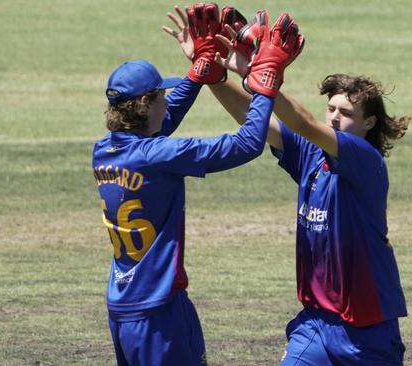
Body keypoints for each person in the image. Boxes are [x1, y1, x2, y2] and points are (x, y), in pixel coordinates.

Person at [92, 4, 304, 365]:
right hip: (160, 312)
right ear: (145, 102)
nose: (166, 100)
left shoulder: (105, 150)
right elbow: (246, 145)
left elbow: (163, 117)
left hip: (122, 307)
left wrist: (200, 72)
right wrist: (265, 85)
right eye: (161, 94)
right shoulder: (159, 155)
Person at [206, 13, 411, 365]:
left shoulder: (365, 159)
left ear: (369, 123)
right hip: (315, 323)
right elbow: (256, 118)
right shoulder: (310, 156)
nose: (333, 117)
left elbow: (304, 122)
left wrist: (263, 72)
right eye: (330, 108)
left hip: (367, 330)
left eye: (345, 112)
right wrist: (213, 73)